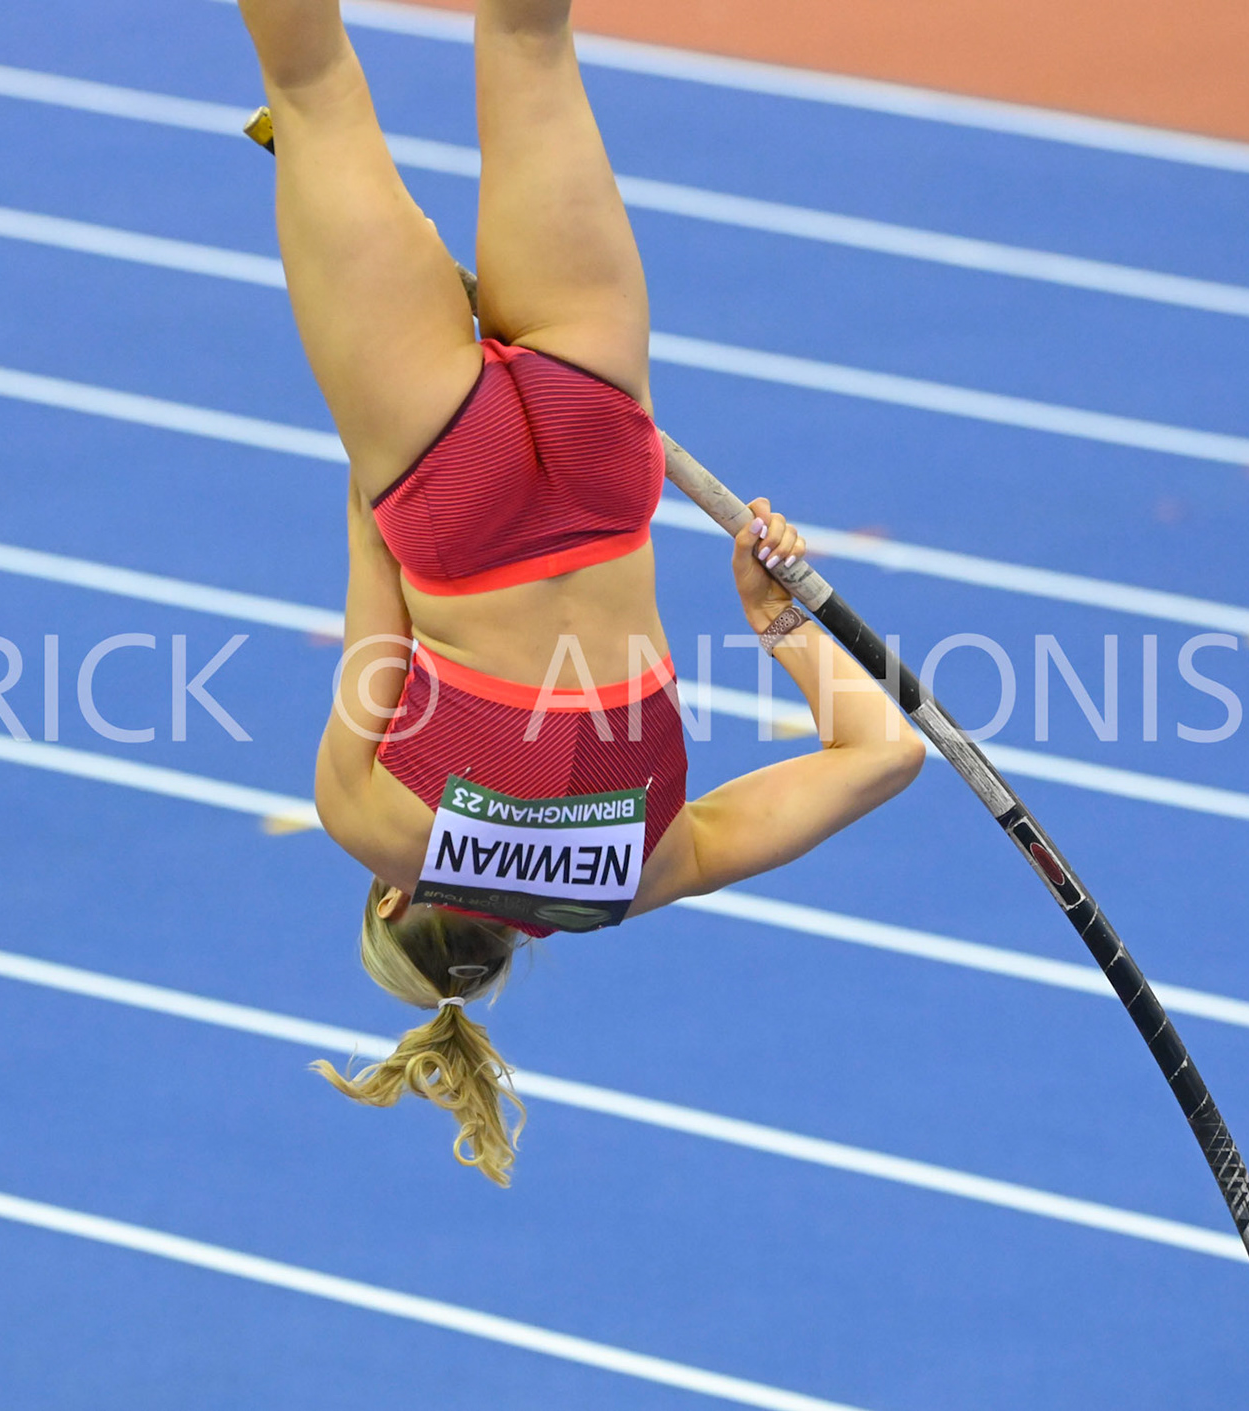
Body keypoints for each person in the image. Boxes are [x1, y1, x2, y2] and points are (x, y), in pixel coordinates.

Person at [238, 0, 926, 1185]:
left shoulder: (645, 869)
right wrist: (378, 427)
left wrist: (778, 625)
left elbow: (885, 754)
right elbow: (376, 616)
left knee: (528, 37)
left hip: (603, 463)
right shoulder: (376, 826)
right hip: (444, 491)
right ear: (396, 897)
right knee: (312, 91)